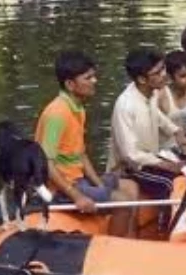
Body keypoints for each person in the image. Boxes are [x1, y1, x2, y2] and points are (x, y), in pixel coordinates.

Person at [35, 51, 139, 237]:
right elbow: (45, 162)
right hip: (60, 189)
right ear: (70, 84)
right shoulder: (57, 114)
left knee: (130, 186)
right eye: (88, 78)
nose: (95, 81)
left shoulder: (78, 107)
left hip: (78, 180)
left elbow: (81, 154)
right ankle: (112, 250)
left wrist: (99, 185)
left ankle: (131, 242)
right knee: (123, 202)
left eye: (93, 76)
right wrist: (76, 196)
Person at [108, 49, 186, 206]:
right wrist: (165, 164)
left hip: (151, 158)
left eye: (163, 68)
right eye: (157, 73)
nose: (164, 75)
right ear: (142, 79)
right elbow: (130, 155)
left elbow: (158, 116)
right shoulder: (125, 106)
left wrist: (176, 131)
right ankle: (166, 225)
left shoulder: (151, 93)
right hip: (131, 169)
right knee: (169, 184)